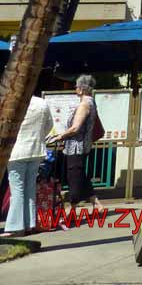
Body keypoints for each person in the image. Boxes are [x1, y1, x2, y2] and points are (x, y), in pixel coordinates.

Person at [49, 74, 104, 212]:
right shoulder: (91, 102)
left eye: (77, 86)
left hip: (76, 146)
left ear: (82, 89)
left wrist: (60, 136)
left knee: (74, 176)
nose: (75, 88)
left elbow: (75, 127)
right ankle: (96, 202)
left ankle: (72, 206)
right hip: (82, 144)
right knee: (80, 174)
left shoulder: (84, 104)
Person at [1, 93, 53, 237]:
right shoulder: (42, 103)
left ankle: (15, 226)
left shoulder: (12, 102)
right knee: (30, 188)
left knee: (17, 189)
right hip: (36, 149)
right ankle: (30, 223)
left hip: (16, 151)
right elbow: (49, 125)